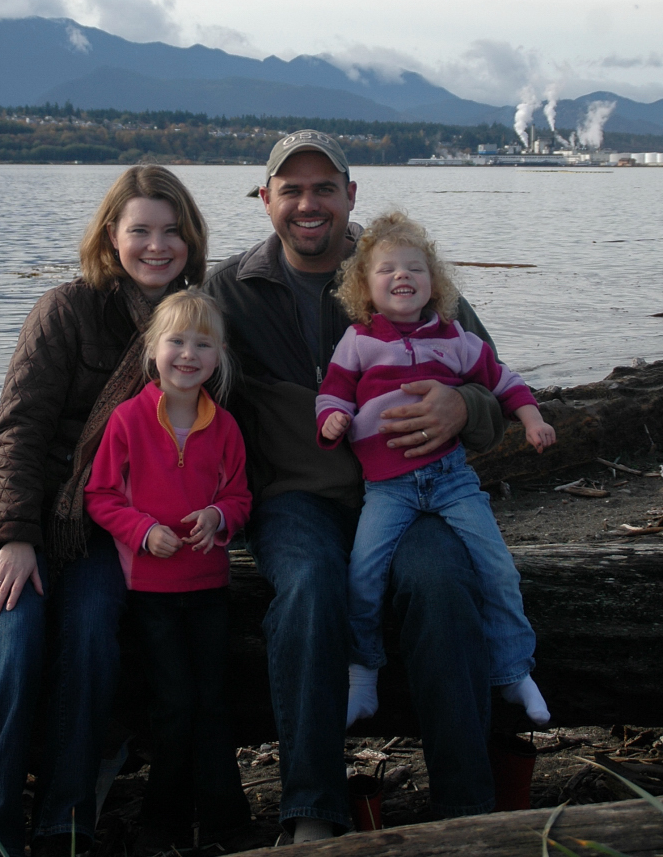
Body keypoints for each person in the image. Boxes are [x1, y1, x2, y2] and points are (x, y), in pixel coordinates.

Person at [204, 130, 509, 842]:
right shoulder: (231, 290)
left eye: (324, 188)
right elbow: (175, 370)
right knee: (308, 588)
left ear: (351, 195)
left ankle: (468, 811)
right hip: (296, 501)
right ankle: (313, 809)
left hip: (414, 492)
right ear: (266, 199)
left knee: (441, 583)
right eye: (291, 190)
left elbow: (496, 383)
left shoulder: (402, 270)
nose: (309, 204)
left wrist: (465, 407)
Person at [0, 166, 208, 857]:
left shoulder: (192, 324)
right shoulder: (66, 309)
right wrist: (15, 536)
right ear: (110, 237)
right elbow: (19, 433)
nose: (157, 246)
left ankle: (66, 826)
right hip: (10, 503)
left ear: (191, 238)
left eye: (172, 231)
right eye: (140, 231)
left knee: (94, 635)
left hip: (103, 520)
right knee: (14, 640)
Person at [315, 212, 554, 732]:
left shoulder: (455, 338)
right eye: (387, 270)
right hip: (388, 489)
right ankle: (362, 675)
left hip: (451, 479)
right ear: (364, 287)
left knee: (498, 569)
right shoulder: (358, 341)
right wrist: (332, 418)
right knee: (363, 576)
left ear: (434, 283)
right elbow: (332, 391)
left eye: (415, 268)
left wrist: (532, 418)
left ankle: (514, 669)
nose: (402, 276)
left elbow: (502, 378)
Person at [84, 290, 252, 853]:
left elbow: (240, 497)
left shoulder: (224, 425)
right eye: (176, 341)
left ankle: (227, 821)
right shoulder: (129, 420)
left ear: (220, 355)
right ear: (153, 350)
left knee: (213, 702)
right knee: (173, 704)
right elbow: (101, 495)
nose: (188, 354)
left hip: (207, 589)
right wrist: (140, 530)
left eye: (202, 344)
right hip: (151, 592)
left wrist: (218, 516)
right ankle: (164, 822)